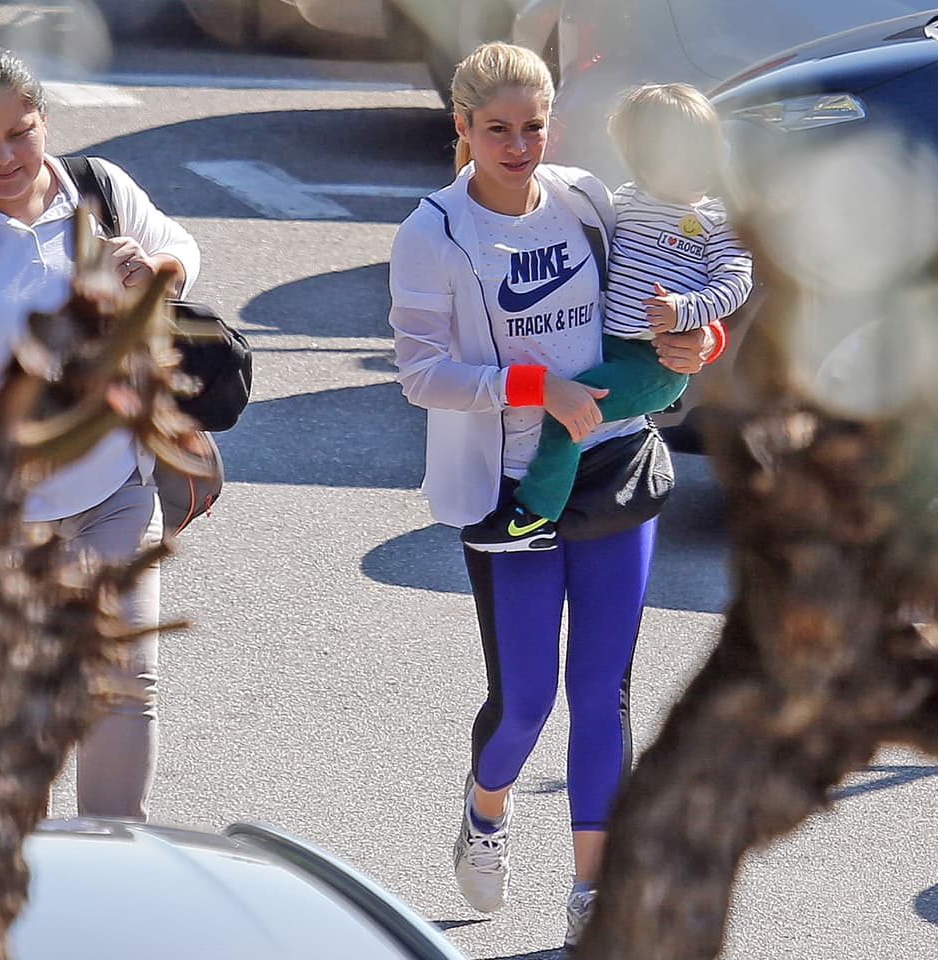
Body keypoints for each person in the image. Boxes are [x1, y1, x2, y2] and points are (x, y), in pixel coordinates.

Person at [387, 42, 719, 949]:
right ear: (462, 126)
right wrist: (539, 388)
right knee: (527, 700)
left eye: (533, 127)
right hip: (510, 488)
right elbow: (420, 374)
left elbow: (671, 302)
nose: (518, 146)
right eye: (497, 129)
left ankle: (591, 891)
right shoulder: (433, 232)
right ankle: (486, 812)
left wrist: (699, 341)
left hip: (614, 464)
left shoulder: (587, 201)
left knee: (601, 692)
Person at [0, 45, 200, 820]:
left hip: (114, 488)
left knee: (122, 682)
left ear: (43, 121)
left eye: (20, 133)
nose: (4, 157)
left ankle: (113, 857)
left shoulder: (97, 190)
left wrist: (153, 270)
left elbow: (182, 251)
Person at [460, 82, 752, 552]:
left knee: (570, 413)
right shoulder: (625, 201)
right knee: (573, 408)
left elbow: (736, 284)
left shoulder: (717, 220)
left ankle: (533, 514)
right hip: (609, 346)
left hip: (652, 364)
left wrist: (689, 316)